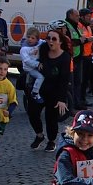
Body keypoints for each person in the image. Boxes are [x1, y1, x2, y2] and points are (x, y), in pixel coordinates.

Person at [26, 23, 71, 152]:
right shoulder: (44, 49)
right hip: (39, 89)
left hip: (55, 91)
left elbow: (64, 79)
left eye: (54, 39)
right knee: (33, 112)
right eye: (48, 38)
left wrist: (61, 99)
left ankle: (51, 141)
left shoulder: (65, 57)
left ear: (60, 42)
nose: (50, 41)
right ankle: (39, 135)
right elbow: (30, 51)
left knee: (51, 118)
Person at [20, 27, 45, 102]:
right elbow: (26, 60)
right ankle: (35, 92)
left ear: (37, 39)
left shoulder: (39, 42)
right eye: (28, 37)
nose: (30, 39)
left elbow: (44, 42)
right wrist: (37, 64)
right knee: (40, 77)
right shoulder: (24, 49)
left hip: (37, 64)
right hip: (29, 68)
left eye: (32, 38)